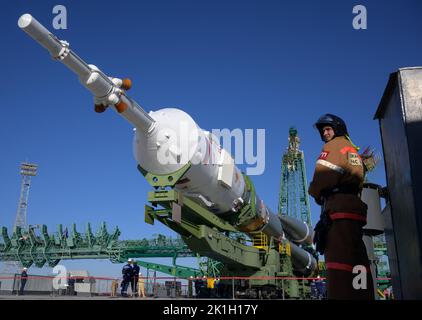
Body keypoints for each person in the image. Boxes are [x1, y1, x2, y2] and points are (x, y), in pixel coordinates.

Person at [309, 114, 374, 300]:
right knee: (357, 261)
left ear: (338, 128)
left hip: (338, 210)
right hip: (355, 210)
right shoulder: (352, 150)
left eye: (328, 129)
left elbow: (322, 177)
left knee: (338, 263)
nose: (325, 133)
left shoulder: (333, 146)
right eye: (323, 131)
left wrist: (314, 191)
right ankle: (362, 295)